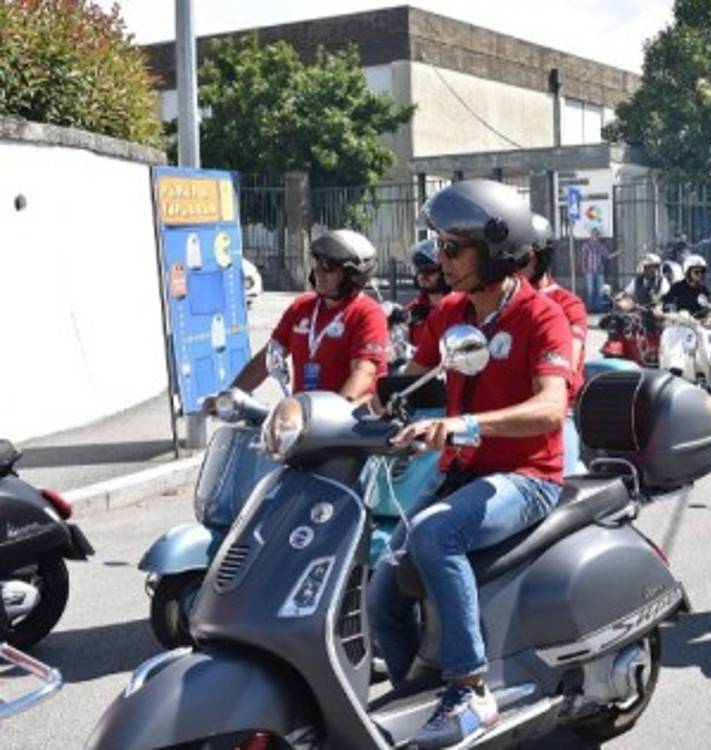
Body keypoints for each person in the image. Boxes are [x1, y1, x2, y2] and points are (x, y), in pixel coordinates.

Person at [368, 179, 574, 749]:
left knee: (434, 537)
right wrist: (352, 411)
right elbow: (411, 373)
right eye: (439, 245)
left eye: (453, 248)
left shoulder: (542, 316)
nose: (441, 259)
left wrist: (465, 424)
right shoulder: (453, 310)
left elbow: (551, 407)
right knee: (381, 587)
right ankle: (420, 688)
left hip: (527, 476)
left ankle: (469, 691)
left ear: (494, 250)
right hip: (462, 472)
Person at [217, 229, 389, 406]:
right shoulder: (301, 307)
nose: (318, 272)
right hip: (304, 418)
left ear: (353, 276)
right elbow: (267, 359)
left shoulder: (368, 313)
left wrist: (335, 413)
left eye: (328, 267)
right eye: (317, 263)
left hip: (350, 420)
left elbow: (364, 372)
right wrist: (230, 395)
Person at [522, 215, 589, 474]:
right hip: (506, 412)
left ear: (541, 257)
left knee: (561, 486)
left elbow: (566, 364)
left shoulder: (567, 304)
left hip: (557, 413)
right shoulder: (499, 303)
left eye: (522, 256)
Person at [407, 238, 451, 357]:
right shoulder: (414, 309)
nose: (423, 276)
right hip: (419, 372)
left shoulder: (460, 307)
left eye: (429, 271)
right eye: (419, 271)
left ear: (444, 271)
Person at [662, 253, 711, 320]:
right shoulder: (677, 288)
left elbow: (710, 310)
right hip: (679, 326)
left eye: (702, 271)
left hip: (698, 327)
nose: (700, 274)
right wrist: (669, 312)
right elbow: (666, 303)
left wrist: (708, 319)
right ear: (688, 272)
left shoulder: (705, 291)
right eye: (696, 272)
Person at [580, 228, 616, 310]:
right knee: (590, 290)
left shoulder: (601, 246)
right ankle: (591, 308)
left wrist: (616, 254)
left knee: (599, 291)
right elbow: (583, 257)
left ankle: (598, 308)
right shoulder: (587, 245)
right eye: (593, 234)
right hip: (589, 270)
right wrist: (583, 268)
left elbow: (607, 256)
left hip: (599, 271)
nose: (595, 236)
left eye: (596, 234)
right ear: (591, 235)